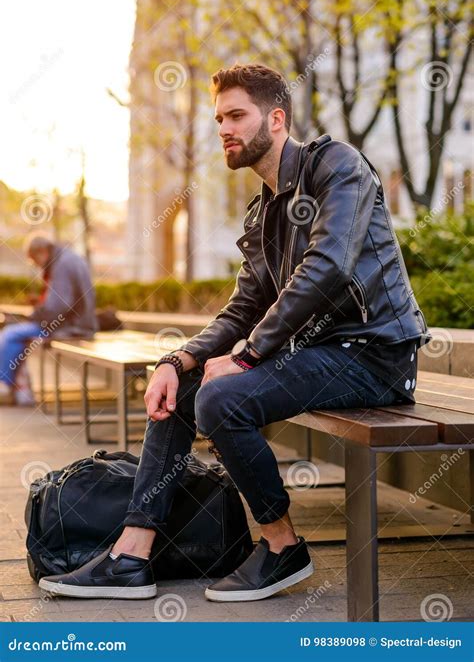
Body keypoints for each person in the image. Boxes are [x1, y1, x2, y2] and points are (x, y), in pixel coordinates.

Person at [39, 63, 431, 602]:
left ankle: (281, 545)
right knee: (182, 395)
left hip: (374, 355)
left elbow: (329, 266)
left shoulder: (337, 166)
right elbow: (243, 307)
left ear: (276, 118)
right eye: (219, 117)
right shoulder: (264, 210)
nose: (224, 127)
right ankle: (131, 555)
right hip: (316, 353)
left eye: (237, 115)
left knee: (222, 399)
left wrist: (247, 357)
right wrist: (179, 360)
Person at [0, 234, 98, 406]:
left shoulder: (62, 264)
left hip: (72, 326)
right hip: (75, 322)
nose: (36, 265)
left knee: (10, 334)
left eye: (33, 260)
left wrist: (35, 314)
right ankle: (10, 385)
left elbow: (59, 306)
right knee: (16, 334)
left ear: (41, 251)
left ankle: (5, 385)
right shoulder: (66, 258)